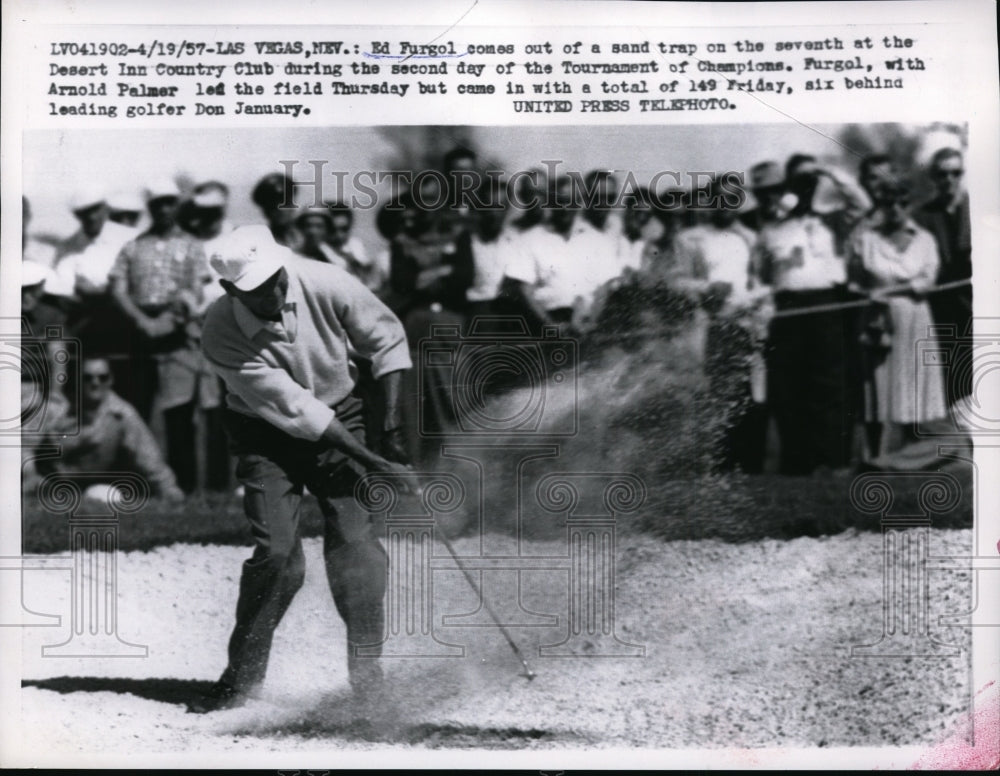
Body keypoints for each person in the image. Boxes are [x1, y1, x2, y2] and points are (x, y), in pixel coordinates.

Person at [192, 225, 414, 713]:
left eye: (275, 278)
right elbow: (295, 409)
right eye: (256, 289)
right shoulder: (220, 332)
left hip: (343, 410)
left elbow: (387, 340)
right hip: (264, 432)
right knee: (277, 553)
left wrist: (392, 429)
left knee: (358, 548)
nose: (274, 291)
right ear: (230, 290)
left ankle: (367, 677)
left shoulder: (324, 279)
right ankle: (241, 677)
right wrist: (375, 463)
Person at [753, 156, 870, 475]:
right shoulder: (770, 230)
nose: (804, 191)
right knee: (789, 387)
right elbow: (762, 275)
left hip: (826, 306)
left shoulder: (831, 220)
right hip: (788, 309)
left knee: (828, 385)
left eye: (810, 185)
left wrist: (826, 170)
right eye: (797, 185)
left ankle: (830, 460)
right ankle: (797, 462)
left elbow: (862, 203)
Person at [108, 180, 217, 492]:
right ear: (150, 208)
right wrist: (141, 320)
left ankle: (184, 485)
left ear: (177, 205)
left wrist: (168, 321)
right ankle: (136, 485)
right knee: (137, 408)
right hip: (139, 333)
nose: (164, 209)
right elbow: (117, 288)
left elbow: (196, 287)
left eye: (169, 202)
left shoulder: (192, 245)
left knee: (179, 413)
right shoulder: (133, 245)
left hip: (178, 334)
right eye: (158, 204)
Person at [670, 178, 771, 471]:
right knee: (715, 393)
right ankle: (717, 464)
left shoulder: (749, 237)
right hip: (710, 325)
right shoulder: (690, 239)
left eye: (731, 198)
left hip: (746, 323)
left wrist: (760, 308)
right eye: (718, 198)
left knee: (750, 394)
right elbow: (676, 282)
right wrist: (707, 288)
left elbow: (761, 282)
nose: (724, 205)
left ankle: (750, 465)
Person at [849, 182, 948, 459]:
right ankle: (873, 456)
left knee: (913, 385)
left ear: (909, 205)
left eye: (901, 203)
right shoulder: (867, 239)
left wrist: (891, 290)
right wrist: (870, 294)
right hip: (877, 320)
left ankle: (909, 457)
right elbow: (854, 281)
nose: (894, 209)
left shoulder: (924, 239)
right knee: (877, 388)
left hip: (915, 317)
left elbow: (926, 281)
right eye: (888, 203)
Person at [32, 356, 185, 503]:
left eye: (102, 377)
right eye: (88, 378)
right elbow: (26, 449)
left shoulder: (122, 414)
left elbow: (149, 458)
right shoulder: (58, 410)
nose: (95, 383)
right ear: (78, 380)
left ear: (111, 380)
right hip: (53, 485)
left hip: (103, 486)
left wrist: (169, 489)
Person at [914, 147, 973, 411]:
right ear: (933, 178)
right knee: (957, 387)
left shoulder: (981, 207)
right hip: (944, 314)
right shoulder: (921, 217)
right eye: (942, 174)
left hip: (982, 310)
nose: (949, 179)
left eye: (955, 173)